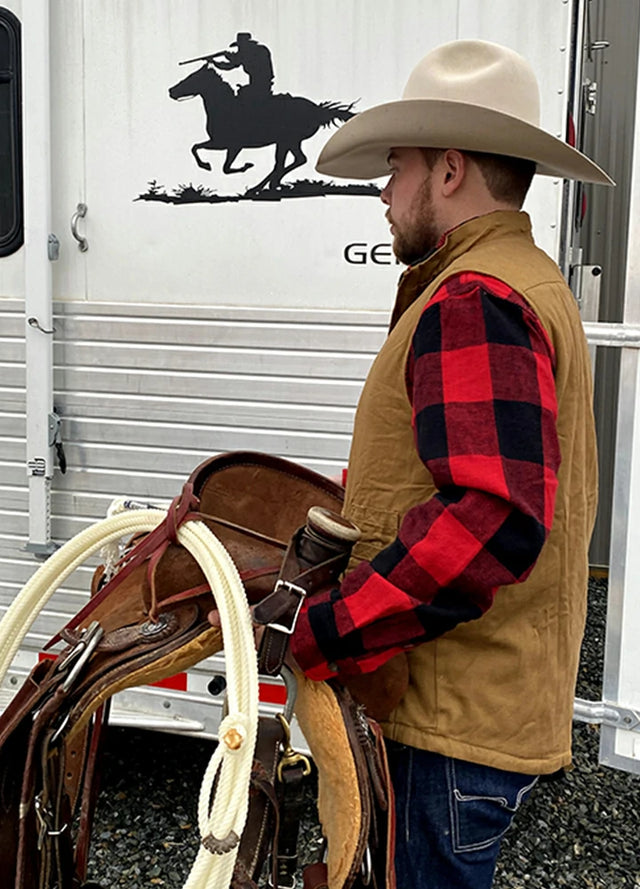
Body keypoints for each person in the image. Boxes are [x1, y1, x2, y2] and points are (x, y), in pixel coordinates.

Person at [287, 40, 612, 888]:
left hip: (444, 722)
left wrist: (324, 630)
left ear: (450, 171)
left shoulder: (475, 296)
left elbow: (491, 518)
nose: (384, 194)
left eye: (397, 170)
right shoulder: (523, 279)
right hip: (468, 711)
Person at [212, 32, 274, 99]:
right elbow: (235, 61)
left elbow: (232, 64)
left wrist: (227, 57)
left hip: (261, 85)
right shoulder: (258, 50)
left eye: (240, 45)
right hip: (260, 84)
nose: (239, 48)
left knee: (242, 95)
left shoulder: (254, 52)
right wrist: (217, 62)